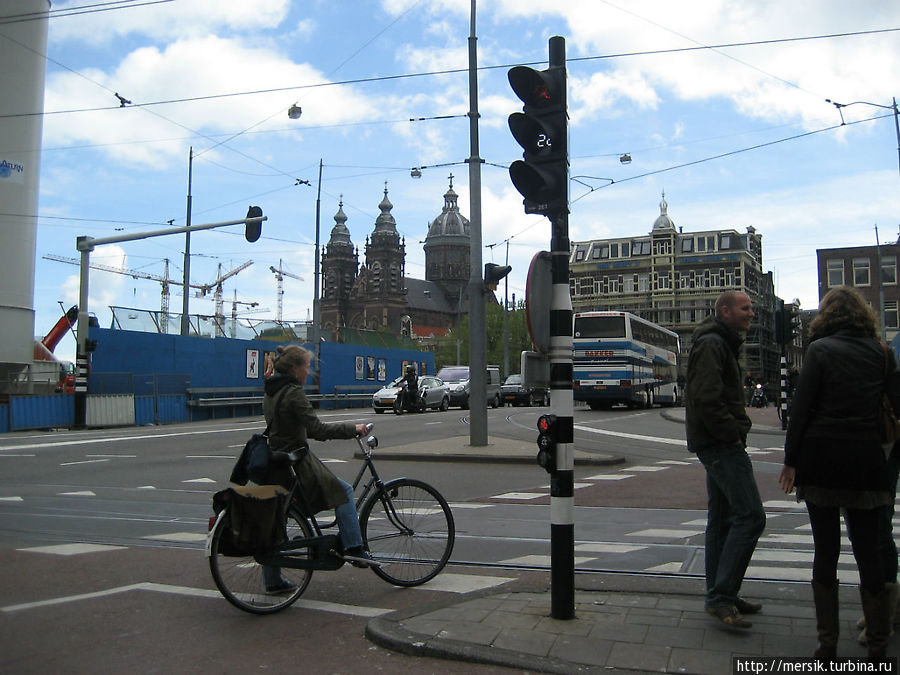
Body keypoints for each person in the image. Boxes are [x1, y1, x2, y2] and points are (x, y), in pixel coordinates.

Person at [779, 286, 900, 660]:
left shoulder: (819, 350)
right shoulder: (882, 353)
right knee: (869, 552)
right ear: (864, 316)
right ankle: (878, 645)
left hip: (822, 460)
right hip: (867, 462)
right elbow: (895, 406)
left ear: (827, 317)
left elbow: (801, 410)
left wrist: (791, 460)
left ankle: (827, 644)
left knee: (825, 550)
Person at [261, 344, 375, 594]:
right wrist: (352, 429)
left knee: (278, 516)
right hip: (297, 461)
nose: (308, 371)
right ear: (295, 368)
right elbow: (317, 430)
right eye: (306, 366)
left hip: (275, 460)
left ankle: (271, 580)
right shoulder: (293, 393)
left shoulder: (271, 391)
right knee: (343, 492)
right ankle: (355, 549)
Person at [685, 290, 766, 628]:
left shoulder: (720, 341)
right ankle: (721, 595)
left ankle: (721, 596)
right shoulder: (714, 344)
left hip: (716, 440)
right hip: (720, 443)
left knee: (722, 520)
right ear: (725, 311)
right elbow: (706, 397)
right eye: (745, 308)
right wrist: (731, 432)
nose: (751, 314)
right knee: (751, 516)